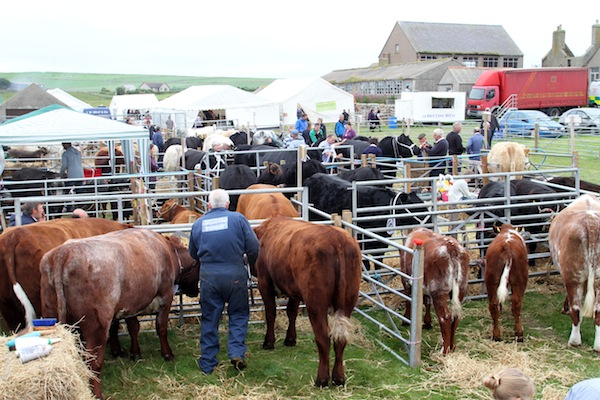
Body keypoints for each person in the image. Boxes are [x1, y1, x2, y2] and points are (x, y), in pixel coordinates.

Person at [188, 189, 260, 375]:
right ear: (228, 204)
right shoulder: (238, 219)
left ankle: (208, 363)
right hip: (235, 273)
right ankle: (236, 352)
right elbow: (253, 247)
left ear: (209, 205)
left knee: (210, 317)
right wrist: (245, 258)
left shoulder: (198, 224)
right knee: (238, 314)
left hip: (209, 276)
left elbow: (193, 253)